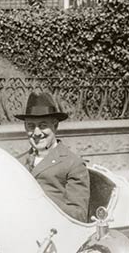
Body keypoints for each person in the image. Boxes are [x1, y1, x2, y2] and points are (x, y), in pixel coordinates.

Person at [16, 91, 90, 222]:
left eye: (43, 125)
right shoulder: (18, 163)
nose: (37, 133)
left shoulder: (73, 164)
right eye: (31, 126)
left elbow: (79, 214)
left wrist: (41, 203)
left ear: (55, 126)